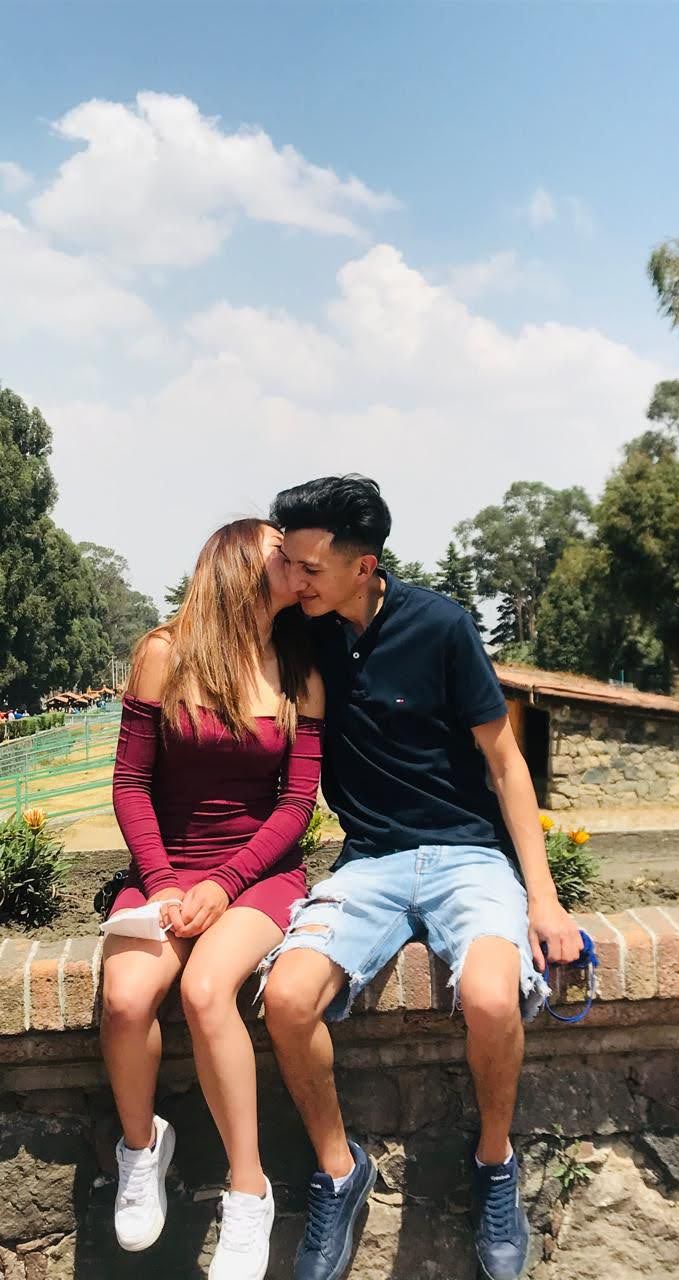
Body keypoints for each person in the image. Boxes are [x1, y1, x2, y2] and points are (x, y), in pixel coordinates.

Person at [261, 476, 582, 1280]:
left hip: (466, 855)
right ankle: (339, 1169)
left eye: (309, 567)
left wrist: (544, 900)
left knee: (490, 997)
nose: (295, 580)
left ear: (364, 566)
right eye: (289, 564)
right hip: (369, 860)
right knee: (288, 1000)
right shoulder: (303, 630)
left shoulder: (441, 625)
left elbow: (505, 763)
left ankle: (495, 1162)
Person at [101, 518, 324, 1280]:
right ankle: (142, 1149)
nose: (296, 564)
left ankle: (248, 1190)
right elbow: (130, 784)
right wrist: (163, 881)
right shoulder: (162, 655)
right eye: (280, 553)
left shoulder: (300, 670)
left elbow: (297, 805)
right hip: (165, 869)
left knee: (204, 991)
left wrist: (225, 884)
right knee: (126, 999)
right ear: (236, 563)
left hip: (260, 874)